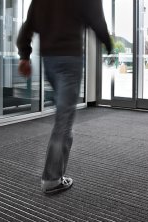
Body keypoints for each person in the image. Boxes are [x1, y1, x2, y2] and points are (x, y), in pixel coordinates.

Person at [16, 0, 112, 194]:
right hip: (70, 59)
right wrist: (108, 43)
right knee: (64, 121)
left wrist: (24, 55)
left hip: (49, 60)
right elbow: (96, 18)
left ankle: (56, 174)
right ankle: (51, 179)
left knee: (64, 116)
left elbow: (28, 25)